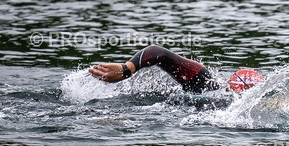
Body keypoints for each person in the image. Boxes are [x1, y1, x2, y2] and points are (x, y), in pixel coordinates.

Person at [89, 45, 264, 93]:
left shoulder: (205, 87)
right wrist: (126, 69)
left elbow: (159, 53)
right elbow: (158, 52)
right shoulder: (207, 84)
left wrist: (127, 69)